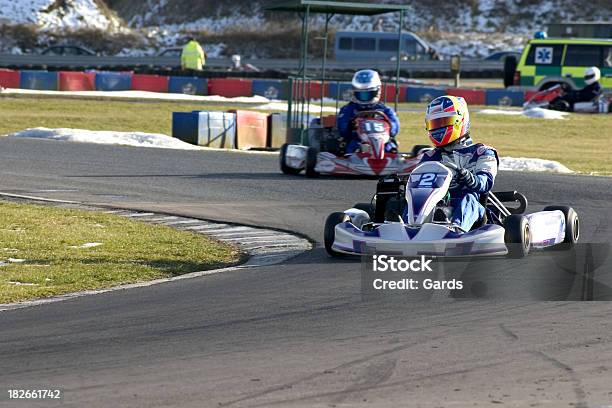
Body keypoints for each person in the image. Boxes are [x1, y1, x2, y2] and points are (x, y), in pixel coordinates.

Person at [416, 95, 499, 232]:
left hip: (472, 209)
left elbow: (486, 182)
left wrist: (472, 179)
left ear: (460, 121)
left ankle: (455, 231)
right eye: (434, 124)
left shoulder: (482, 152)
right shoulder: (430, 156)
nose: (438, 128)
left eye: (443, 122)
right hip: (434, 203)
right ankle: (407, 227)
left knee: (468, 198)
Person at [337, 69, 400, 154]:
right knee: (353, 146)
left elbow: (395, 127)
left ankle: (391, 157)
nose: (364, 98)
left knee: (389, 146)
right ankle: (357, 158)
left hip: (382, 141)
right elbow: (342, 127)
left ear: (377, 91)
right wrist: (349, 125)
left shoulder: (385, 110)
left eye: (367, 94)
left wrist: (389, 125)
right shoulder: (349, 109)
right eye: (361, 95)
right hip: (357, 141)